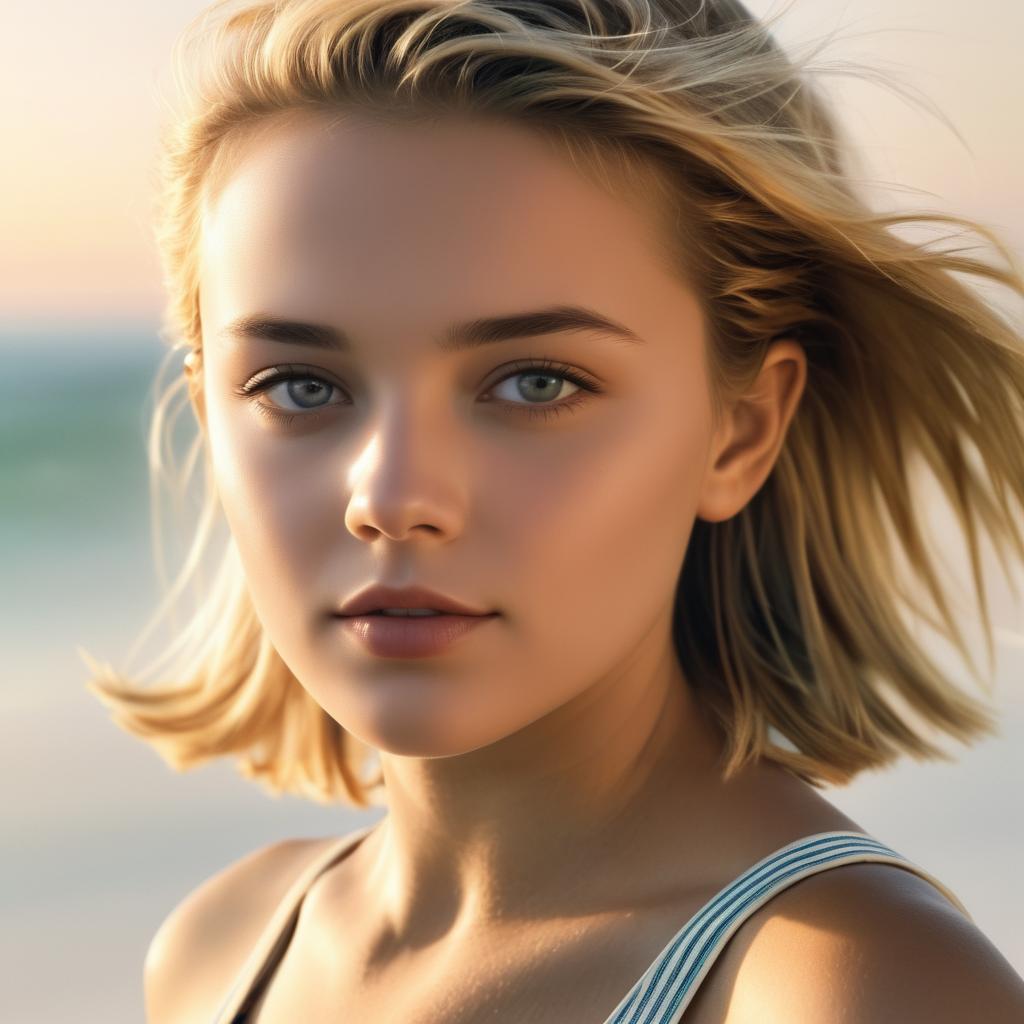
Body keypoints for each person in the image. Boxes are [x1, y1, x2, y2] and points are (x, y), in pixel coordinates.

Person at [84, 0, 1024, 1020]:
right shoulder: (224, 949)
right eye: (299, 387)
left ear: (741, 428)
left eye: (534, 383)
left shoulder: (843, 991)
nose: (392, 499)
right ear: (207, 413)